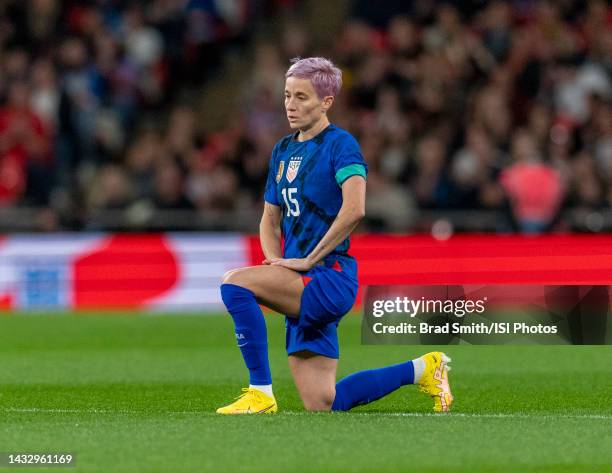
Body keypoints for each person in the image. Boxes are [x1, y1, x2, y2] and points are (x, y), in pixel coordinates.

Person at [217, 57, 453, 414]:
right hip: (299, 277)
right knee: (323, 403)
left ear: (326, 101)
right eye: (287, 96)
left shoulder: (341, 145)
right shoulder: (282, 150)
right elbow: (269, 217)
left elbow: (355, 208)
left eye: (301, 97)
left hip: (329, 277)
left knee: (234, 283)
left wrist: (308, 260)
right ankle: (423, 369)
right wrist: (275, 262)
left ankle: (260, 393)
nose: (290, 105)